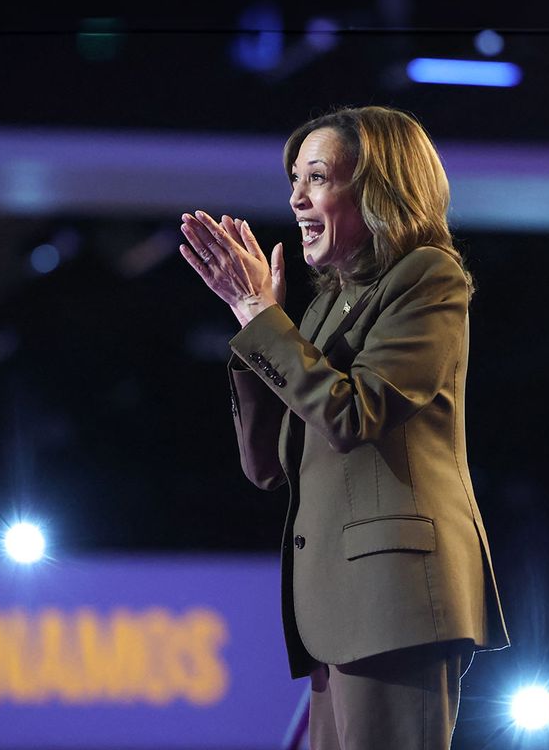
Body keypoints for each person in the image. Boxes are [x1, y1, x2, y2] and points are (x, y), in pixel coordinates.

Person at [179, 105, 510, 749]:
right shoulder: (329, 302)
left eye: (318, 178)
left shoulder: (427, 277)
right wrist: (258, 326)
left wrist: (257, 312)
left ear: (379, 190)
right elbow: (269, 465)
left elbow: (352, 414)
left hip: (394, 601)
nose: (297, 197)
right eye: (294, 180)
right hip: (338, 610)